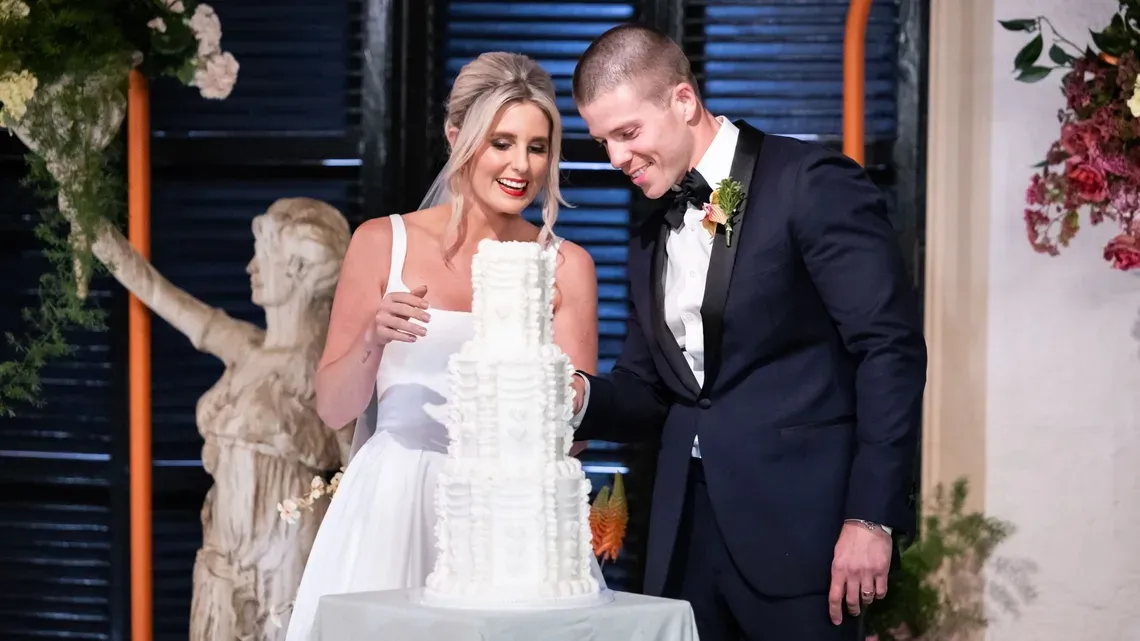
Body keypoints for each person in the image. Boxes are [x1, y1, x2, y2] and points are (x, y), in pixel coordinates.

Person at [568, 24, 927, 641]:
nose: (615, 159)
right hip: (684, 534)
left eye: (627, 134)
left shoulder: (811, 182)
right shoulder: (649, 236)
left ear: (683, 101)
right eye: (603, 141)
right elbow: (649, 389)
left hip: (805, 532)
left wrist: (871, 517)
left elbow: (889, 349)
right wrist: (576, 396)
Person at [283, 51, 601, 640]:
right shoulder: (382, 243)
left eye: (537, 147)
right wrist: (373, 339)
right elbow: (332, 408)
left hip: (504, 521)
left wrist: (559, 387)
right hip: (392, 505)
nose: (521, 166)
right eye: (501, 143)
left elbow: (570, 430)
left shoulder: (566, 268)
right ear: (458, 136)